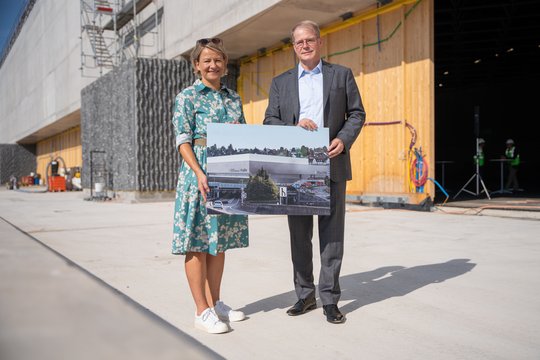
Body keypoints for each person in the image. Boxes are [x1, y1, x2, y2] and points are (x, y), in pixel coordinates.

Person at [263, 20, 366, 324]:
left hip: (331, 163)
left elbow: (357, 113)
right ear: (293, 46)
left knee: (332, 236)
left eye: (310, 40)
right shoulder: (280, 82)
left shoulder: (341, 75)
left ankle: (330, 299)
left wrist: (343, 140)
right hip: (295, 167)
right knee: (299, 236)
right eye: (299, 42)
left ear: (320, 43)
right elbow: (270, 121)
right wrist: (293, 128)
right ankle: (305, 295)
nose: (305, 46)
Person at [171, 37, 249, 334]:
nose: (213, 65)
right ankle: (201, 310)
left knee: (219, 242)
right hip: (199, 173)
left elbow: (243, 133)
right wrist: (200, 172)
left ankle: (216, 304)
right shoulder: (187, 97)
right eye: (207, 60)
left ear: (225, 65)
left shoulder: (233, 97)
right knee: (197, 242)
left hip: (228, 170)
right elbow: (183, 140)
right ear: (197, 66)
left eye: (218, 60)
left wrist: (240, 131)